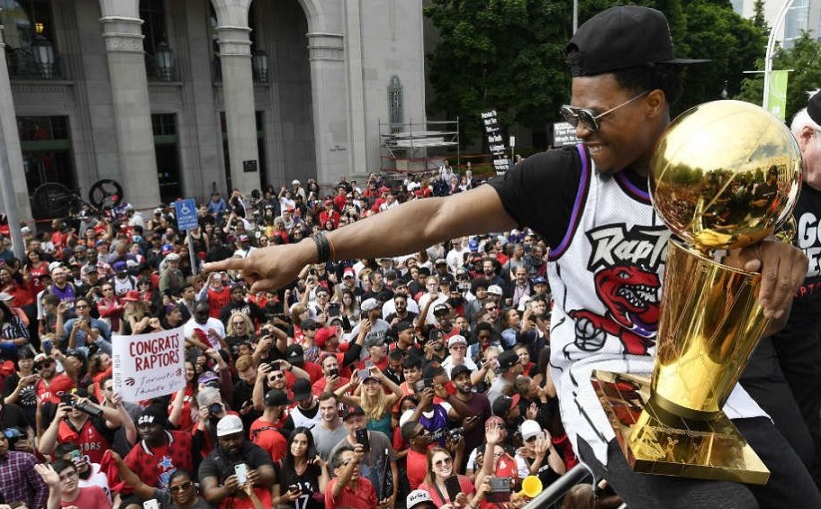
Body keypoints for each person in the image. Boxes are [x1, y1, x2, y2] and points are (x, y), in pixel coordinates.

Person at [205, 5, 816, 507]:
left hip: (698, 376)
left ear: (653, 104)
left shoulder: (722, 173)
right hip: (605, 376)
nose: (579, 128)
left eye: (592, 114)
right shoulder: (562, 180)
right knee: (723, 506)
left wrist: (780, 261)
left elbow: (760, 282)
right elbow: (434, 217)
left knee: (799, 496)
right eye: (572, 113)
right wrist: (311, 249)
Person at [740, 91, 821, 489]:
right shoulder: (760, 172)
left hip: (805, 337)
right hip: (756, 339)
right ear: (806, 135)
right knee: (794, 448)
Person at [273, 426, 329, 509]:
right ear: (290, 443)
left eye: (303, 443)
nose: (298, 446)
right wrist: (286, 497)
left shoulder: (314, 464)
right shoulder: (279, 465)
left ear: (309, 446)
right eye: (295, 441)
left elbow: (325, 492)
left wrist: (323, 466)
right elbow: (274, 501)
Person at [34, 459, 111, 509]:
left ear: (77, 473)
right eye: (61, 478)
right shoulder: (52, 503)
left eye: (70, 474)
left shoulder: (96, 491)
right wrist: (54, 485)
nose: (68, 480)